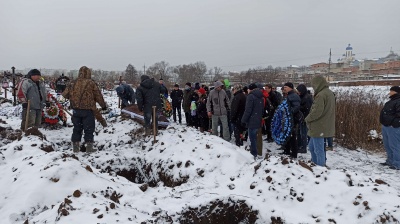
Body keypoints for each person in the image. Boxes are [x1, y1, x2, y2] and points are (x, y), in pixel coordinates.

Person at [62, 66, 107, 153]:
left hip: (76, 110)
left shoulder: (73, 83)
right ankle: (89, 148)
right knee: (89, 128)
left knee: (77, 128)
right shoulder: (91, 83)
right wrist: (103, 105)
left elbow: (65, 95)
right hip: (88, 110)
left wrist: (74, 97)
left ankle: (75, 148)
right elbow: (98, 96)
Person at [305, 75, 335, 166]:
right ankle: (315, 164)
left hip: (319, 126)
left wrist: (307, 119)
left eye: (314, 85)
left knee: (318, 149)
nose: (313, 87)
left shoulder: (321, 95)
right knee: (312, 147)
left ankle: (320, 168)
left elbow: (316, 112)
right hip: (324, 124)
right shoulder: (329, 93)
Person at [379, 86, 400, 170]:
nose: (389, 92)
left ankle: (397, 164)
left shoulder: (398, 101)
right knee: (387, 145)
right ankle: (390, 161)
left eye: (391, 91)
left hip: (393, 128)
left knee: (395, 146)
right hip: (386, 126)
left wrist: (394, 123)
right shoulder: (391, 101)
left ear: (396, 92)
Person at [241, 83, 264, 159]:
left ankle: (253, 153)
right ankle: (258, 152)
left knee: (252, 138)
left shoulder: (250, 96)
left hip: (252, 120)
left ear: (250, 89)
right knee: (257, 138)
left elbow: (248, 110)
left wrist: (243, 120)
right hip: (258, 119)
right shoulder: (260, 96)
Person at [281, 82, 301, 159]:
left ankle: (294, 154)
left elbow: (296, 107)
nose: (284, 88)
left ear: (290, 88)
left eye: (286, 87)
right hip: (287, 119)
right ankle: (286, 151)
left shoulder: (294, 96)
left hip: (292, 119)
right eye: (284, 87)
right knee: (287, 135)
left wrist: (288, 112)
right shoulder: (288, 95)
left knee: (292, 136)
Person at [296, 84, 313, 153]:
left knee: (304, 133)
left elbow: (307, 109)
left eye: (299, 91)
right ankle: (300, 145)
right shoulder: (303, 96)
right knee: (300, 133)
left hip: (305, 118)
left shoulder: (307, 98)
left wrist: (299, 108)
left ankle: (303, 147)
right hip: (302, 117)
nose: (298, 92)